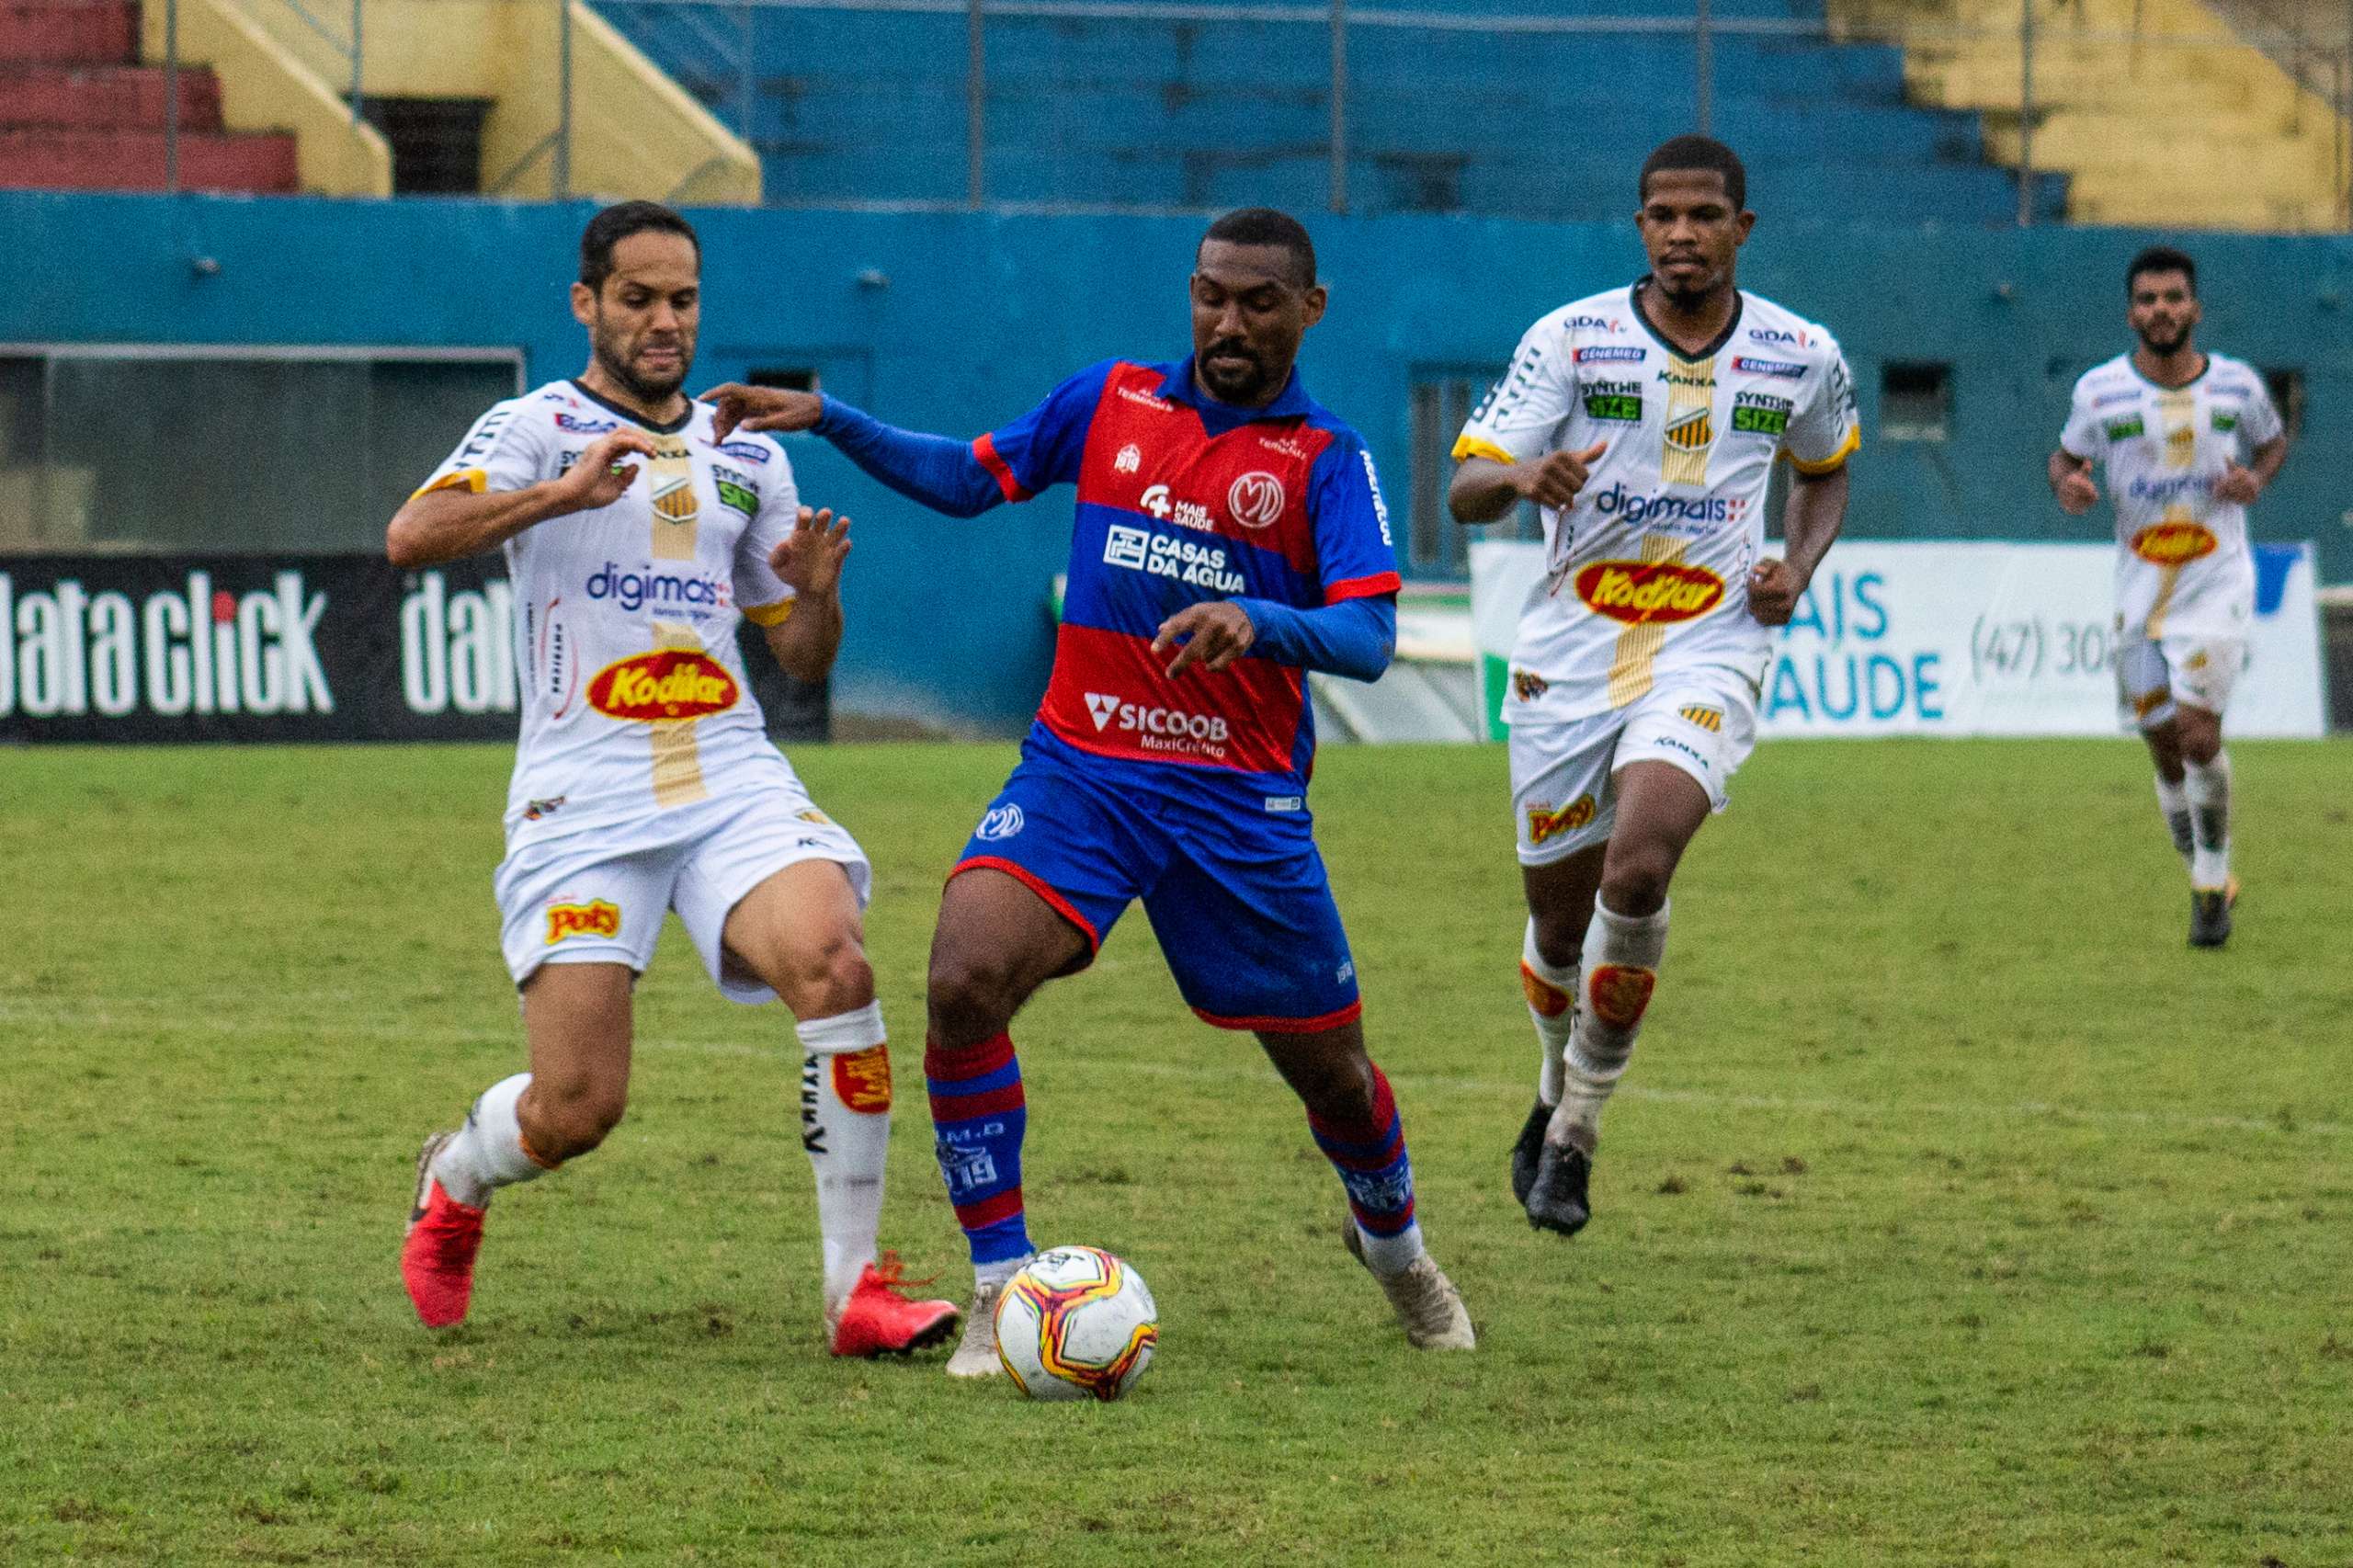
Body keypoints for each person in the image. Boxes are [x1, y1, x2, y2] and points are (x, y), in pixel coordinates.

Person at [701, 206, 1475, 1373]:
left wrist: (1254, 620)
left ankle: (1397, 1248)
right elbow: (970, 479)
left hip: (1235, 808)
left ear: (1308, 311)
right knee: (962, 977)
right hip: (1083, 773)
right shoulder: (1111, 400)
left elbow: (1368, 634)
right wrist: (834, 417)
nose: (1228, 319)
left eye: (1259, 301)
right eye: (1212, 294)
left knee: (1333, 1072)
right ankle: (1001, 1283)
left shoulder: (1324, 459)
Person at [386, 200, 958, 1356]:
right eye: (637, 298)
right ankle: (456, 1175)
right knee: (577, 1108)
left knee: (836, 962)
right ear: (586, 303)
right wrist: (562, 494)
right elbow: (408, 536)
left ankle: (858, 1294)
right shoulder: (536, 427)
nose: (663, 320)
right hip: (581, 802)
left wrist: (817, 592)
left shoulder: (750, 454)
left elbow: (796, 656)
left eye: (682, 299)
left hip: (730, 775)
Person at [1447, 136, 1859, 1238]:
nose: (1682, 233)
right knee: (1556, 924)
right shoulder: (1571, 340)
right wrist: (1521, 473)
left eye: (1703, 214)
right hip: (1570, 652)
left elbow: (1825, 474)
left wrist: (1797, 566)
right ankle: (1549, 1083)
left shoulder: (1799, 353)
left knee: (1640, 862)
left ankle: (1576, 1131)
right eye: (1662, 216)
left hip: (1709, 643)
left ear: (1741, 228)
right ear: (1639, 227)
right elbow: (1465, 491)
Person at [2050, 245, 2288, 949]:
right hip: (2140, 590)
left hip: (2217, 580)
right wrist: (2068, 483)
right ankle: (2202, 867)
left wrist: (2256, 479)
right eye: (2149, 300)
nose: (2162, 310)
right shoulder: (2100, 392)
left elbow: (2272, 443)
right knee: (2161, 746)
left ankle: (2210, 883)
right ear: (2132, 313)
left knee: (2198, 735)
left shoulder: (2237, 386)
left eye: (2174, 297)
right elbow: (2066, 455)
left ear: (2195, 308)